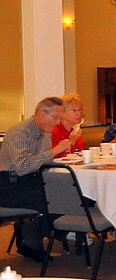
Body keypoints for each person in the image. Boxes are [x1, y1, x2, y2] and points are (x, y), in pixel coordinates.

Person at [1, 97, 70, 261]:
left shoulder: (45, 133)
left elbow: (42, 163)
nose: (58, 122)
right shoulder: (20, 132)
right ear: (41, 113)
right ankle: (35, 241)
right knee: (51, 198)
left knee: (67, 191)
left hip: (28, 181)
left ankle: (39, 237)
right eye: (55, 117)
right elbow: (23, 166)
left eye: (60, 118)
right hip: (8, 184)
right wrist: (55, 151)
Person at [51, 93, 84, 158]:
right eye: (74, 110)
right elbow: (57, 159)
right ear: (62, 113)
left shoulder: (74, 132)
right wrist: (72, 142)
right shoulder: (54, 132)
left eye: (79, 110)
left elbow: (81, 154)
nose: (78, 114)